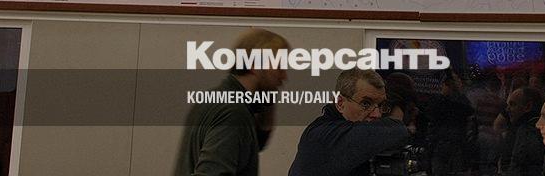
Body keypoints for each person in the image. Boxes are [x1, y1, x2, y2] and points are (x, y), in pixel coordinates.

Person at [175, 28, 290, 176]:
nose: (284, 76)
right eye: (279, 67)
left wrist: (267, 101)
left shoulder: (211, 99)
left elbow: (254, 143)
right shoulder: (233, 113)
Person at [289, 69, 410, 176]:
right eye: (366, 104)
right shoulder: (321, 135)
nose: (377, 114)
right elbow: (396, 131)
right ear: (340, 103)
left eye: (381, 105)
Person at [497, 87, 544, 176]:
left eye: (512, 104)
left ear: (528, 107)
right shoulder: (524, 129)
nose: (507, 109)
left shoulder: (527, 132)